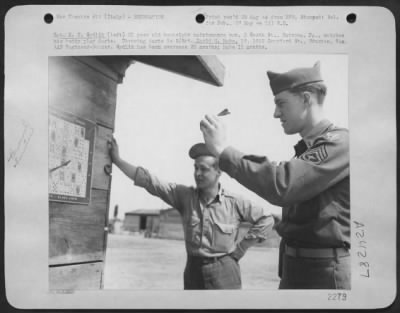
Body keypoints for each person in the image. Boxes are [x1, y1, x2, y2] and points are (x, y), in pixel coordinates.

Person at [200, 62, 350, 289]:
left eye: (281, 104)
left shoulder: (340, 144)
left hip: (325, 273)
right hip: (297, 269)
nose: (275, 113)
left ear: (307, 99)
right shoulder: (307, 151)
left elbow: (283, 184)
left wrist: (223, 151)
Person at [108, 138, 274, 290]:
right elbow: (149, 181)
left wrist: (240, 249)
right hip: (193, 271)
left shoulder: (234, 202)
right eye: (195, 168)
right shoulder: (184, 196)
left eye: (203, 169)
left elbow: (266, 219)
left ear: (218, 172)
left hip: (225, 272)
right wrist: (118, 161)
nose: (197, 174)